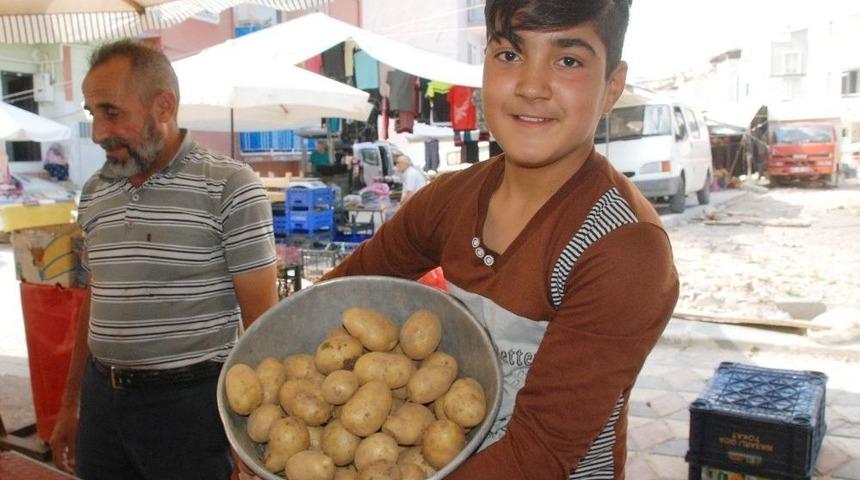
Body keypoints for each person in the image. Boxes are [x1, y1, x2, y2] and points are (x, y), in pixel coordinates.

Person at [323, 0, 678, 478]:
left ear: (611, 86)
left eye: (568, 60)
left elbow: (538, 456)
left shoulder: (624, 247)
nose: (532, 87)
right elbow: (336, 297)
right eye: (510, 55)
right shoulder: (449, 199)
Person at [49, 39, 279, 480]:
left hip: (191, 410)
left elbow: (262, 323)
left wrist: (252, 441)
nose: (98, 132)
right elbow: (95, 302)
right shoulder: (96, 191)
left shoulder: (230, 186)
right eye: (92, 113)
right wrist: (70, 404)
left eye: (111, 112)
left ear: (164, 106)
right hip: (102, 402)